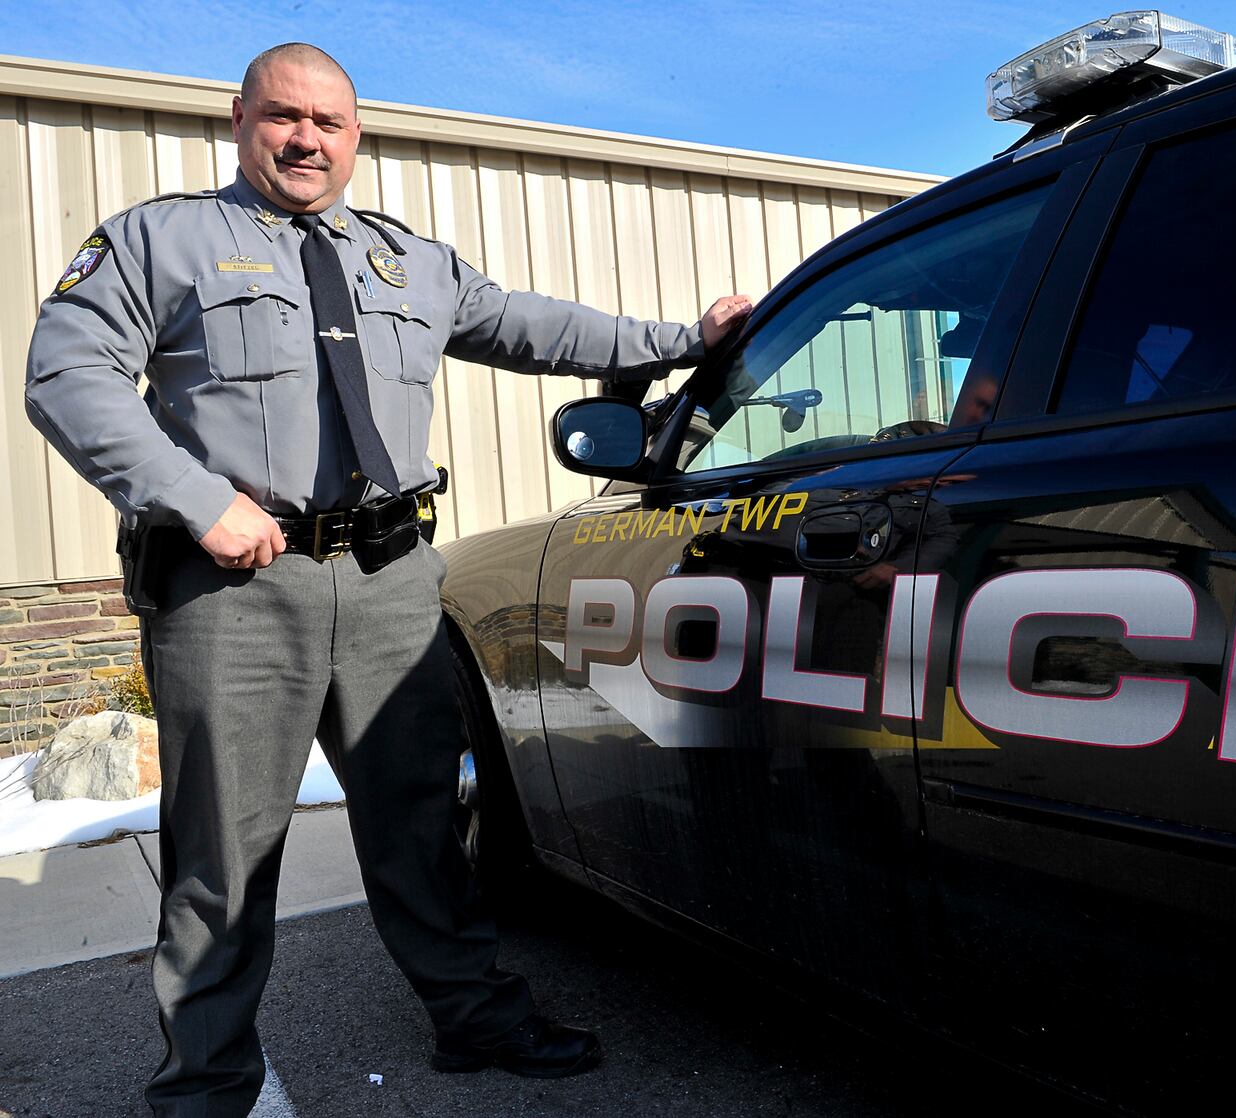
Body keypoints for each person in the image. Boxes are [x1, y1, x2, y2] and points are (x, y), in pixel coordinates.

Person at [24, 41, 753, 1117]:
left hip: (390, 579)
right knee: (223, 856)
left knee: (421, 819)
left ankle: (475, 1016)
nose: (306, 137)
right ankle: (205, 1086)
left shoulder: (403, 260)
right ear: (240, 119)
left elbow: (530, 323)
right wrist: (194, 494)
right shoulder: (160, 239)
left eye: (330, 121)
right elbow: (67, 371)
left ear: (355, 138)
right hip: (234, 592)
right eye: (285, 115)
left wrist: (685, 337)